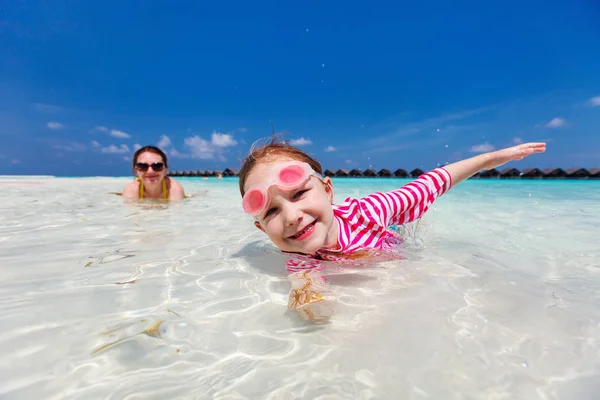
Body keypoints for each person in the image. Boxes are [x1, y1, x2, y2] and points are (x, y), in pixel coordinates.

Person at [238, 136, 546, 321]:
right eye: (273, 211)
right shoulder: (298, 258)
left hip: (387, 237)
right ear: (262, 229)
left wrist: (490, 159)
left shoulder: (370, 211)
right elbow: (309, 299)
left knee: (412, 226)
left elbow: (432, 183)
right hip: (359, 257)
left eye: (299, 194)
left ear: (328, 191)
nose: (291, 216)